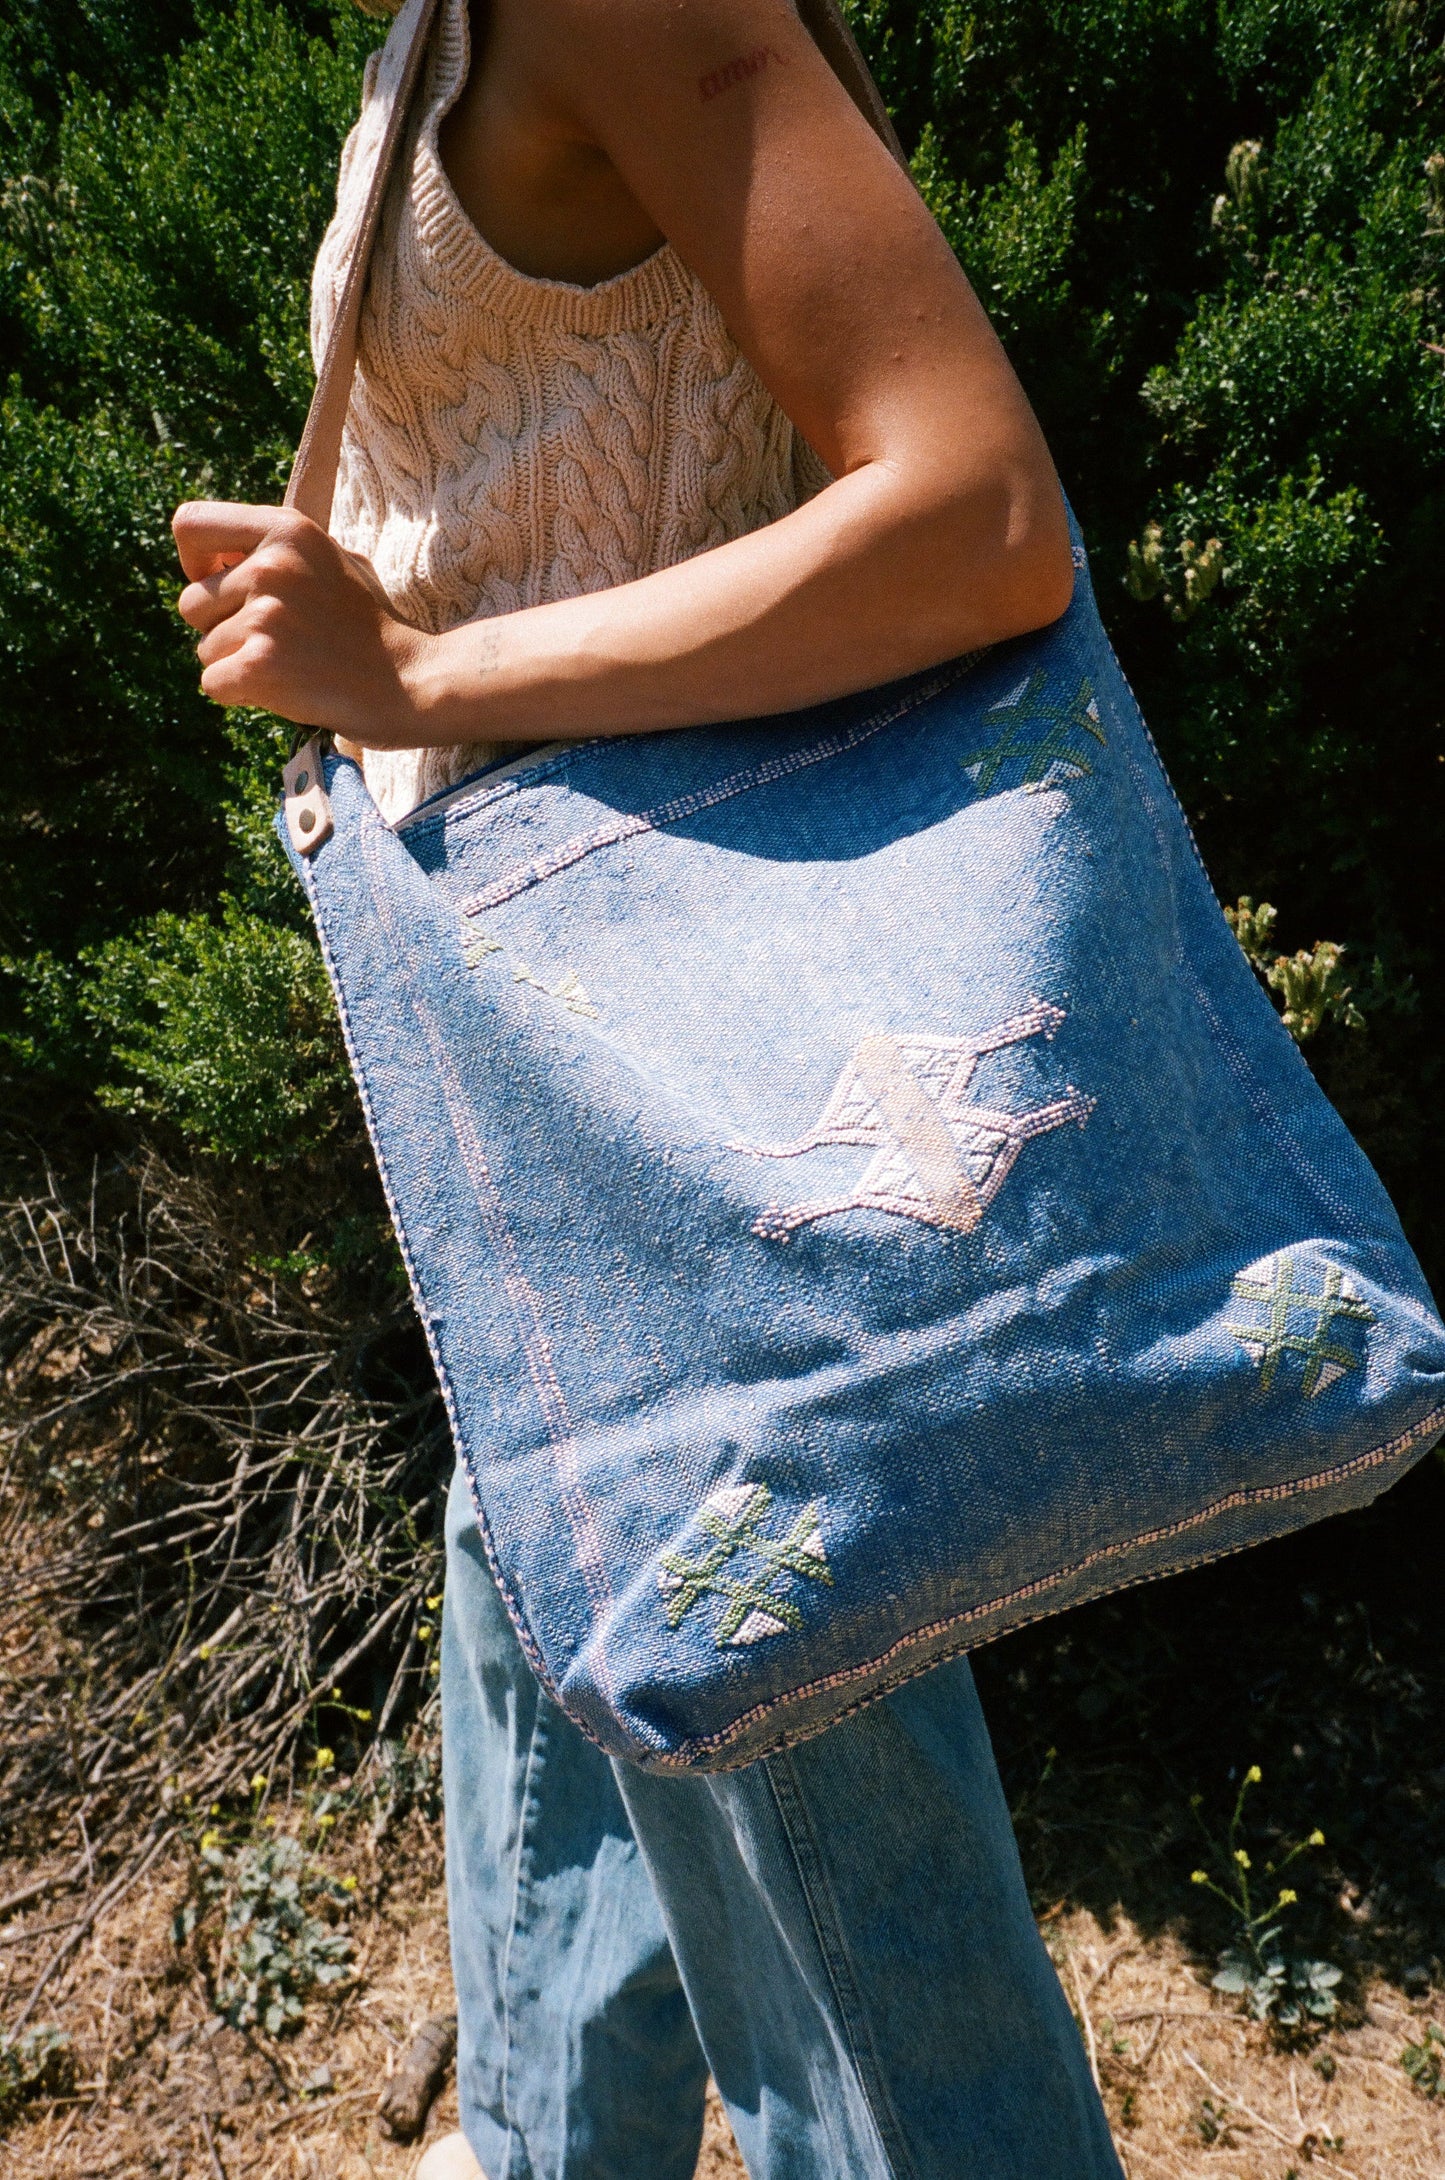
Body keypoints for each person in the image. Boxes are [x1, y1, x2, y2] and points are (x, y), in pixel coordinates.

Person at [173, 1, 1122, 2172]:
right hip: (546, 1096)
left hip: (698, 1126)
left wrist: (415, 670)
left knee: (878, 1988)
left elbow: (979, 513)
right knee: (553, 1646)